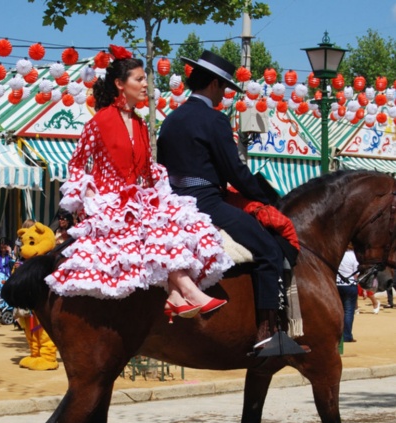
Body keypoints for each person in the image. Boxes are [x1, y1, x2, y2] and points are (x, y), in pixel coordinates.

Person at [45, 44, 232, 321]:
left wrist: (160, 193)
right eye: (140, 79)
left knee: (176, 223)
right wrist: (89, 191)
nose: (146, 84)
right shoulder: (99, 122)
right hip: (110, 205)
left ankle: (177, 293)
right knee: (159, 227)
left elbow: (146, 170)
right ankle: (184, 291)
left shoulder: (142, 124)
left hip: (139, 200)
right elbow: (76, 164)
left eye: (145, 79)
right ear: (120, 84)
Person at [157, 50, 305, 354]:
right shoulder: (214, 120)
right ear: (213, 84)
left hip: (172, 204)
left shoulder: (170, 120)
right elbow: (234, 172)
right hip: (206, 203)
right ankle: (268, 333)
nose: (224, 95)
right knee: (269, 250)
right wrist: (266, 197)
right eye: (223, 88)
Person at [336, 244, 359, 343]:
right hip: (349, 285)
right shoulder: (353, 256)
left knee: (338, 310)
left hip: (337, 284)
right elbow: (356, 274)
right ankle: (347, 335)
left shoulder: (338, 254)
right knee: (349, 311)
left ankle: (338, 334)